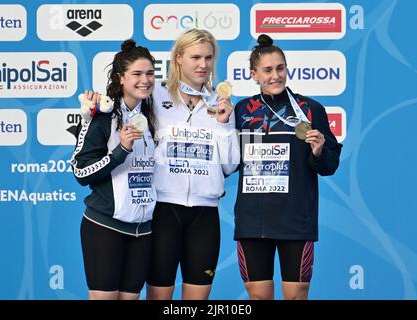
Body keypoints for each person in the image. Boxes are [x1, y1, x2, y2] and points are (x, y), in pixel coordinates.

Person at [233, 34, 342, 300]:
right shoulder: (241, 110)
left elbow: (330, 164)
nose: (275, 76)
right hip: (252, 221)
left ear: (287, 69)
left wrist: (318, 152)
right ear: (253, 74)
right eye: (267, 70)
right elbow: (229, 161)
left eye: (280, 68)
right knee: (258, 297)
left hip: (295, 219)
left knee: (296, 297)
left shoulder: (310, 109)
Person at [146, 28, 240, 300]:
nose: (203, 65)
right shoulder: (155, 97)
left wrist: (224, 125)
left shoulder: (219, 104)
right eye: (195, 57)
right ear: (178, 58)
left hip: (205, 213)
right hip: (163, 210)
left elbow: (230, 164)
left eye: (209, 58)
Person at [70, 39, 157, 300]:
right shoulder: (102, 115)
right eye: (137, 74)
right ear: (120, 79)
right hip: (105, 225)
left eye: (150, 73)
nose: (145, 80)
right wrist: (121, 151)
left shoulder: (152, 114)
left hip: (142, 230)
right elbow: (81, 173)